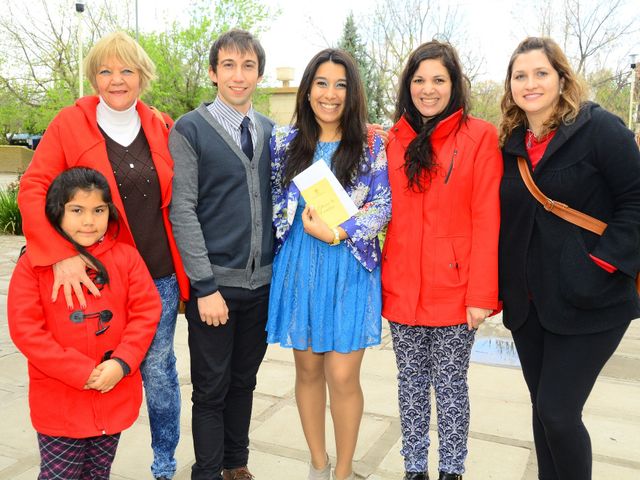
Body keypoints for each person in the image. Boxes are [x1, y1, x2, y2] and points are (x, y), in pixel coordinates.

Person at [17, 31, 188, 480]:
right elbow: (35, 187)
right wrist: (58, 253)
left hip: (157, 273)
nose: (117, 79)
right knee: (97, 363)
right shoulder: (68, 124)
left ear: (142, 76)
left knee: (157, 368)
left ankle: (164, 462)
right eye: (106, 71)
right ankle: (82, 446)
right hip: (97, 274)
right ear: (93, 77)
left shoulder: (160, 125)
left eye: (127, 70)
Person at [498, 36, 640, 480]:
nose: (530, 83)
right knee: (544, 413)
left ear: (562, 78)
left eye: (541, 73)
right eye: (520, 76)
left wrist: (601, 264)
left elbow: (635, 200)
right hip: (530, 306)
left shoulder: (598, 128)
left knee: (559, 412)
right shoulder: (512, 144)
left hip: (592, 301)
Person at [267, 48, 391, 480]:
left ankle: (343, 471)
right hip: (300, 266)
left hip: (350, 267)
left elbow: (383, 205)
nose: (330, 93)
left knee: (342, 374)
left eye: (340, 85)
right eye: (322, 83)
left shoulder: (373, 143)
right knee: (308, 369)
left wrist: (341, 232)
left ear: (352, 93)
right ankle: (317, 466)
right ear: (307, 89)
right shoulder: (284, 141)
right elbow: (270, 201)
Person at [381, 41, 502, 480]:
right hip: (402, 290)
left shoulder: (480, 136)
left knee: (450, 388)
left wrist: (482, 295)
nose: (427, 90)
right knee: (409, 387)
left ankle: (451, 469)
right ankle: (415, 469)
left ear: (454, 84)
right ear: (407, 86)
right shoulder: (392, 140)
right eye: (418, 80)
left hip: (456, 291)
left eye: (438, 80)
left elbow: (488, 219)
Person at [8, 167, 161, 480]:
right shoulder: (33, 265)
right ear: (56, 212)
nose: (89, 221)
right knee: (59, 475)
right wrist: (78, 371)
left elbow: (146, 311)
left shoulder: (127, 258)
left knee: (97, 473)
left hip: (113, 392)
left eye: (99, 210)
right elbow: (26, 330)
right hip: (60, 401)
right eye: (77, 210)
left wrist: (122, 362)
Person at [168, 29, 274, 480]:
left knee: (244, 383)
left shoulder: (271, 130)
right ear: (213, 73)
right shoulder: (190, 129)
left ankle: (236, 464)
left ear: (259, 74)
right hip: (216, 289)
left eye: (248, 66)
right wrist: (204, 286)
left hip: (263, 286)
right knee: (211, 390)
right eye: (228, 65)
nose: (238, 75)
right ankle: (207, 472)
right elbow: (182, 210)